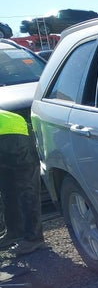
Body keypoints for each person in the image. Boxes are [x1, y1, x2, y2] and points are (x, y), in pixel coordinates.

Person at [0, 109, 45, 256]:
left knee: (25, 188)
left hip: (13, 134)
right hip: (15, 128)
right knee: (11, 187)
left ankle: (33, 238)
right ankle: (16, 232)